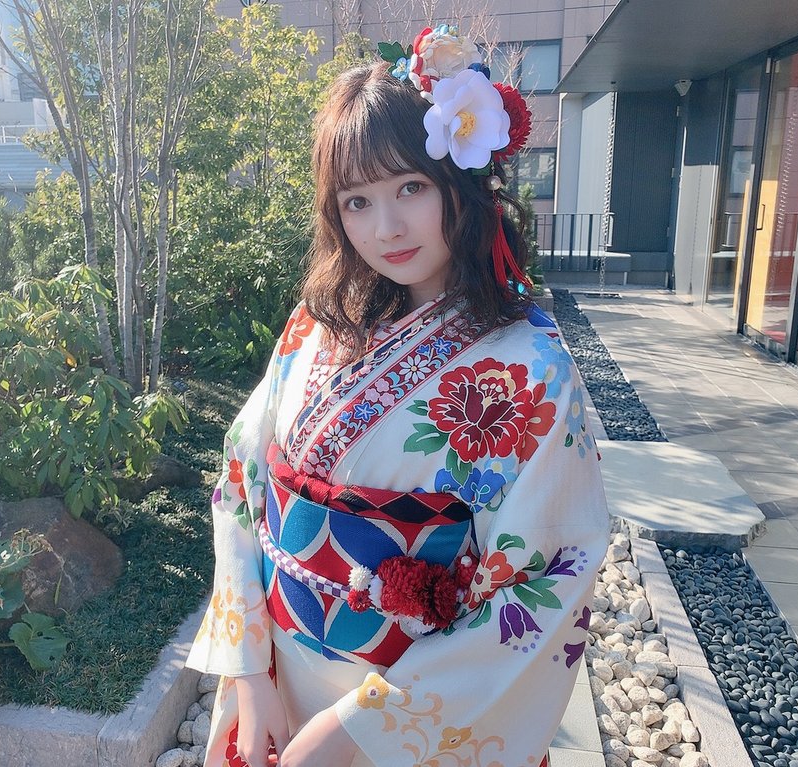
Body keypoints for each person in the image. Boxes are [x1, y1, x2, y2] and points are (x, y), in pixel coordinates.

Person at [186, 24, 610, 767]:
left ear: (460, 182)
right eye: (357, 200)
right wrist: (248, 668)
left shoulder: (532, 368)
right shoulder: (316, 326)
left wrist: (358, 729)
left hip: (416, 712)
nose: (386, 227)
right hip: (281, 680)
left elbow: (549, 571)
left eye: (411, 187)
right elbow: (241, 481)